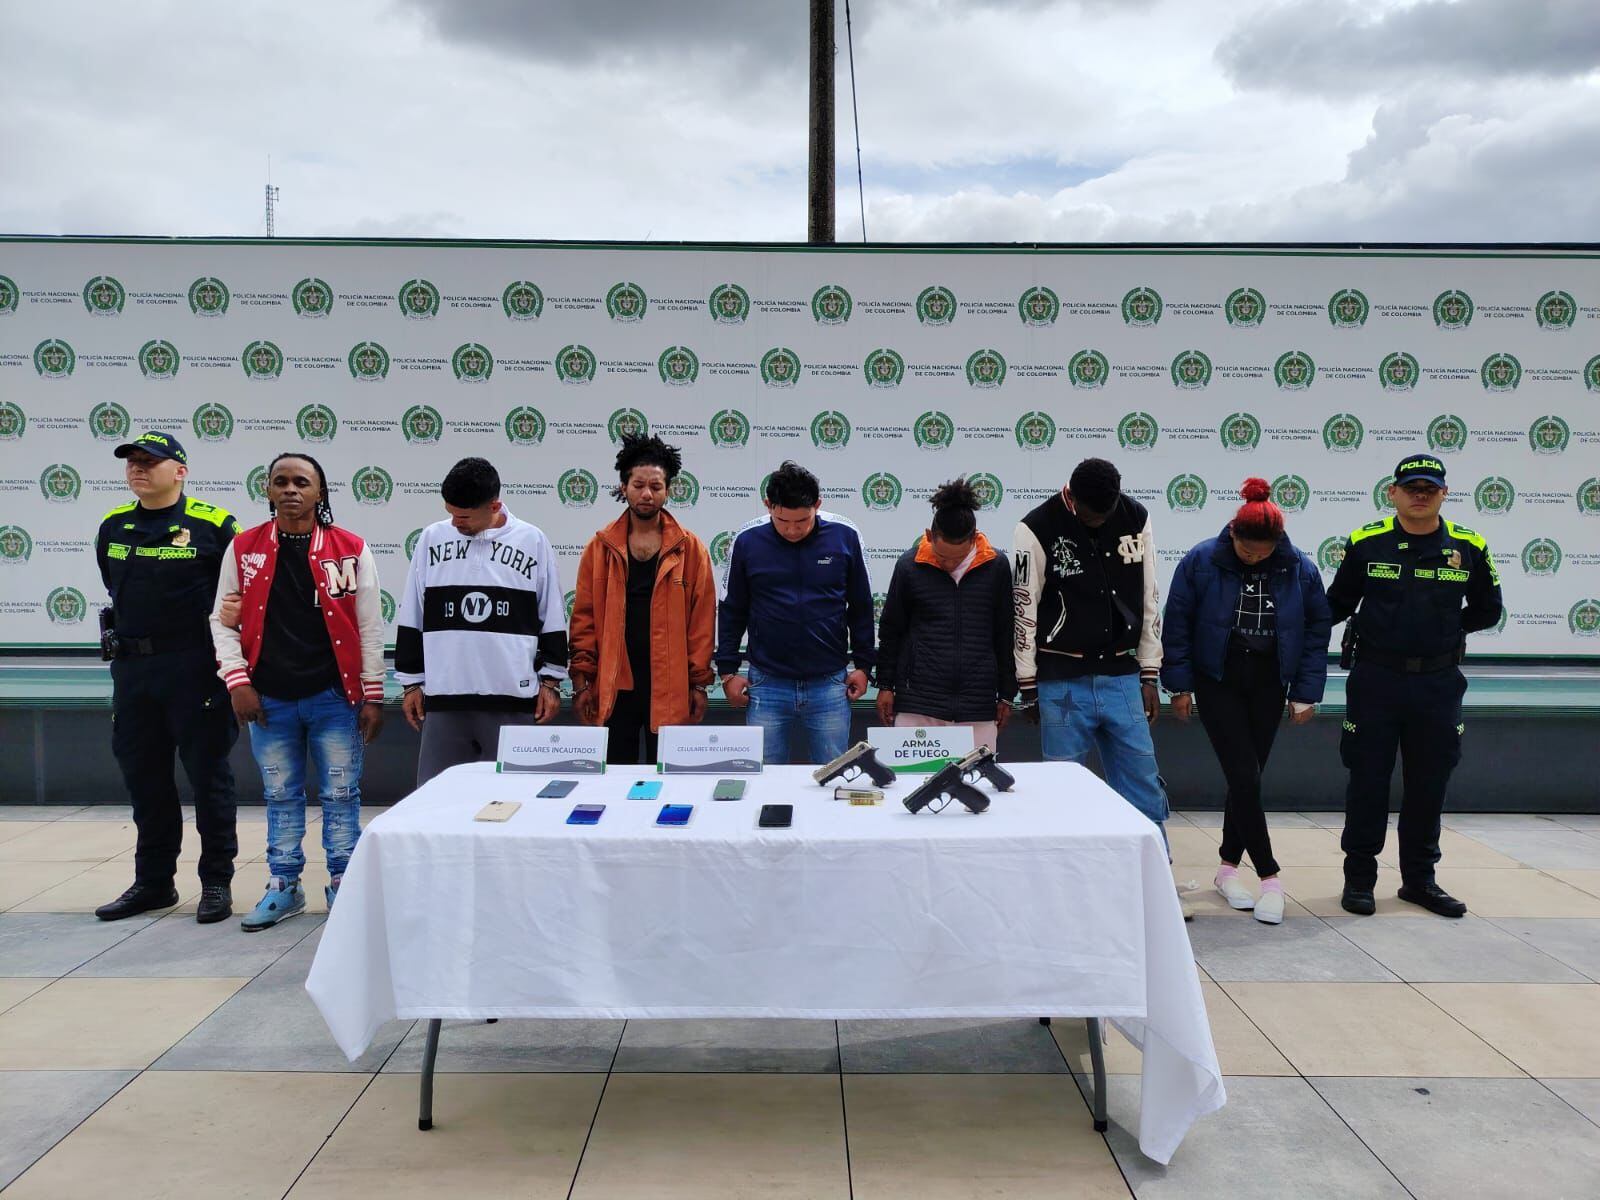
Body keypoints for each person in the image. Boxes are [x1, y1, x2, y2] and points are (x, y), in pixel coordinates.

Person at [211, 452, 385, 929]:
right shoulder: (243, 549)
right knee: (280, 795)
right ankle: (283, 886)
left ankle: (344, 885)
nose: (291, 489)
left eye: (302, 482)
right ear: (267, 490)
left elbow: (370, 626)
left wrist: (372, 695)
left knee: (341, 794)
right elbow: (222, 621)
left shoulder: (350, 548)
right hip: (269, 699)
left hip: (334, 698)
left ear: (319, 492)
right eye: (281, 481)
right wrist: (238, 682)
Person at [1327, 453, 1502, 918]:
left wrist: (1446, 629)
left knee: (1429, 783)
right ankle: (1359, 879)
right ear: (1393, 493)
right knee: (1367, 781)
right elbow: (1337, 603)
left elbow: (1488, 609)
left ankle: (1420, 881)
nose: (1420, 496)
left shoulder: (1469, 545)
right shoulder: (1367, 542)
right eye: (1411, 488)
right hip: (1376, 681)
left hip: (1438, 683)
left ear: (1444, 494)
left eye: (1429, 489)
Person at [1013, 458, 1190, 916]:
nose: (1100, 521)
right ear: (1071, 497)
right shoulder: (1035, 527)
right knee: (1062, 789)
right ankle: (1065, 890)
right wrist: (1027, 685)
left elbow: (1150, 596)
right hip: (1061, 680)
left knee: (1142, 782)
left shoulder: (1136, 517)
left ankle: (1155, 884)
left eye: (1107, 512)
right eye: (1092, 515)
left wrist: (1149, 671)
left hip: (1123, 677)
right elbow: (1023, 608)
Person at [1161, 477, 1333, 925]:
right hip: (1218, 677)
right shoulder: (1201, 560)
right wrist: (1179, 685)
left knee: (1247, 779)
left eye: (1262, 552)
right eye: (1246, 550)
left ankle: (1226, 869)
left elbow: (1316, 630)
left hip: (1269, 680)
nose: (1253, 557)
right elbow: (1177, 622)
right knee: (1243, 774)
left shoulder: (1299, 568)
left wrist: (1305, 692)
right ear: (1232, 533)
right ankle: (1270, 876)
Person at [92, 431, 241, 924]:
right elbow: (113, 586)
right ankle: (154, 883)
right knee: (145, 779)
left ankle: (216, 881)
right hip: (134, 671)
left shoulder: (214, 525)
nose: (137, 468)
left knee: (209, 778)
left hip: (195, 669)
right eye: (132, 461)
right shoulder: (114, 525)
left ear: (180, 471)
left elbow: (241, 594)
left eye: (149, 461)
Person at [395, 457, 567, 784]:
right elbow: (412, 611)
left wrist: (551, 681)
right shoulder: (432, 538)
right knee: (438, 800)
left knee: (512, 799)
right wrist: (411, 682)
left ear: (494, 506)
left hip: (513, 700)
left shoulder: (532, 541)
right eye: (450, 513)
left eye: (463, 517)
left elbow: (553, 613)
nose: (455, 523)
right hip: (444, 698)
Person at [569, 435, 716, 764]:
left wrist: (698, 684)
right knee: (612, 778)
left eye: (655, 486)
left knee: (667, 777)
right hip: (614, 684)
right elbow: (584, 619)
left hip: (670, 686)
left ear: (668, 490)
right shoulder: (600, 548)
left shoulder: (691, 550)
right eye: (638, 485)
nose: (647, 494)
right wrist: (582, 681)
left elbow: (702, 625)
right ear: (623, 487)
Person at [717, 461, 875, 764]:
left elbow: (861, 605)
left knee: (832, 773)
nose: (792, 530)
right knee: (764, 775)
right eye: (782, 520)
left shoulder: (845, 535)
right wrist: (727, 673)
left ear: (818, 505)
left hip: (830, 684)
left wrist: (864, 666)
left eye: (802, 520)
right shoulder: (748, 540)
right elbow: (732, 608)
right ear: (768, 505)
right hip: (767, 684)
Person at [876, 478, 1016, 749]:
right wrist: (885, 684)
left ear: (974, 538)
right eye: (942, 557)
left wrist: (1007, 694)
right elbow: (891, 630)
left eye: (957, 558)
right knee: (913, 776)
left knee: (978, 776)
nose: (949, 564)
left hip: (977, 704)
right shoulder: (909, 566)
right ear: (929, 536)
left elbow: (1004, 633)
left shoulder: (996, 566)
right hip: (918, 703)